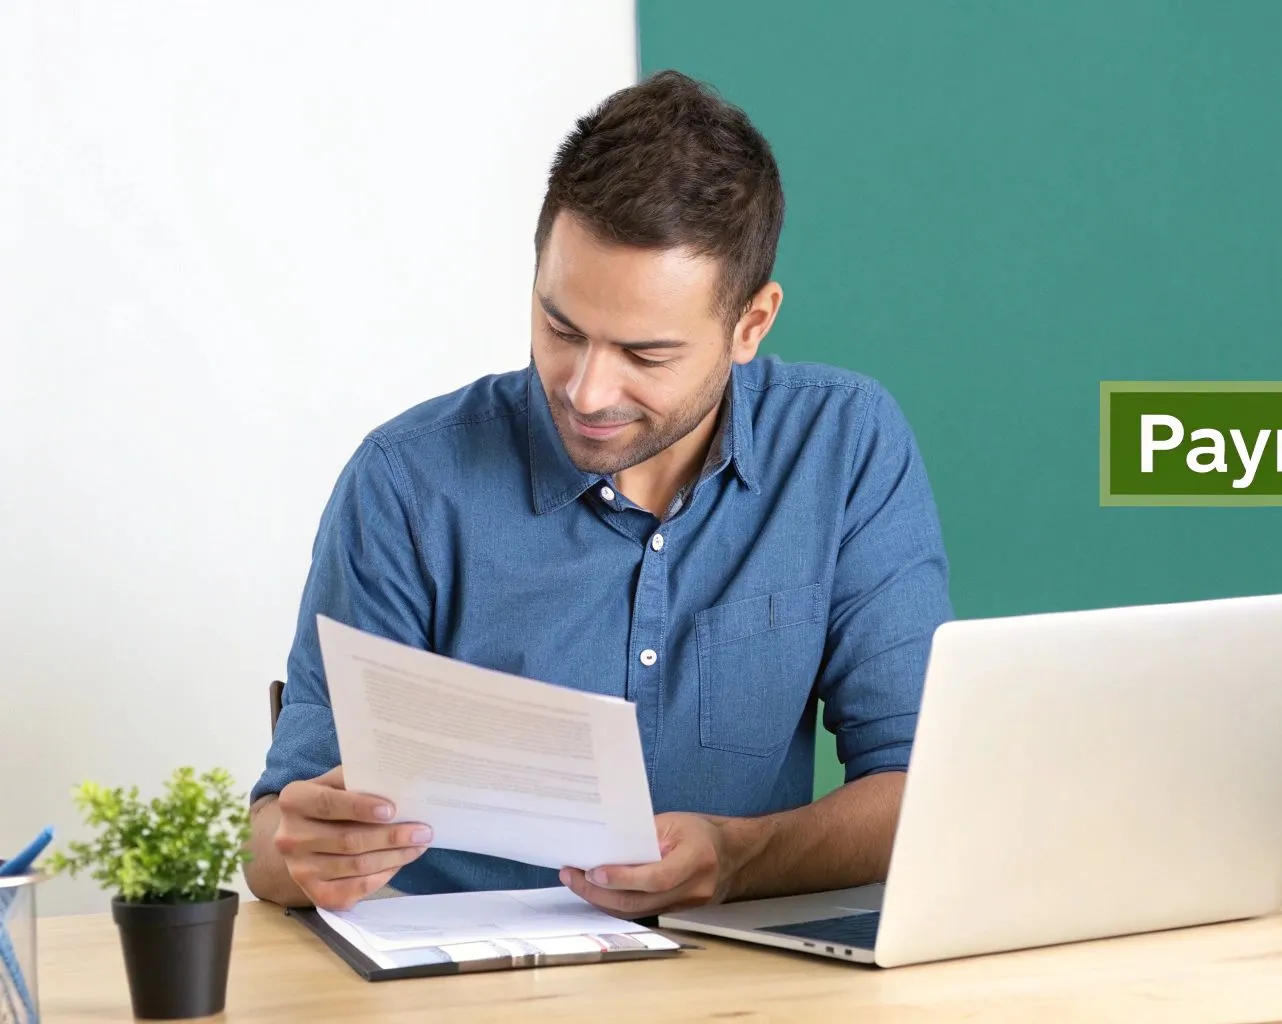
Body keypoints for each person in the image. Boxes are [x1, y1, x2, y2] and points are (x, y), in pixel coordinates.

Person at [244, 70, 953, 916]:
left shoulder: (845, 446)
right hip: (458, 985)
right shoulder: (407, 481)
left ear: (751, 325)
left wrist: (738, 857)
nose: (585, 391)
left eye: (645, 356)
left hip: (733, 979)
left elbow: (926, 791)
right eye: (561, 328)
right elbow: (273, 845)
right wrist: (306, 851)